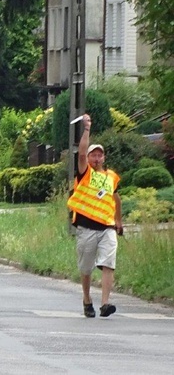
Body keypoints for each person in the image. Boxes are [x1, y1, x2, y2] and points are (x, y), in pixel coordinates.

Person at [67, 113, 123, 318]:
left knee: (109, 262)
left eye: (100, 155)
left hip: (107, 227)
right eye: (93, 155)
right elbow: (80, 154)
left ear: (104, 157)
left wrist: (118, 221)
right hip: (86, 227)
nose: (97, 158)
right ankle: (86, 299)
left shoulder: (112, 177)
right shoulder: (85, 173)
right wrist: (87, 129)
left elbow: (116, 199)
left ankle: (105, 303)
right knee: (86, 267)